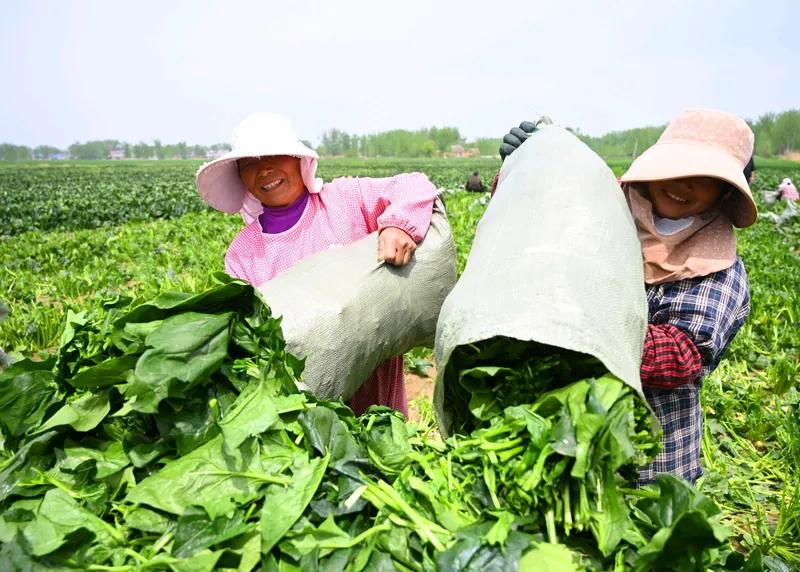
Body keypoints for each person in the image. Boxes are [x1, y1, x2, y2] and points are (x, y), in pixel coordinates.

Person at [495, 109, 757, 485]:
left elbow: (683, 354)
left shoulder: (716, 267)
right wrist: (526, 167)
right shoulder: (608, 210)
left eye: (705, 179)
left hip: (650, 453)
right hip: (564, 430)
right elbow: (544, 219)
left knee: (639, 533)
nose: (683, 184)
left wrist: (586, 328)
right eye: (677, 166)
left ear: (724, 192)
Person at [195, 113, 439, 417]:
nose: (264, 170)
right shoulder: (243, 254)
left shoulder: (344, 201)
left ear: (298, 160)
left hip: (377, 397)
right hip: (306, 414)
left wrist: (398, 226)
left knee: (384, 451)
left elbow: (414, 185)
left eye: (274, 155)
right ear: (241, 177)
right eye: (249, 164)